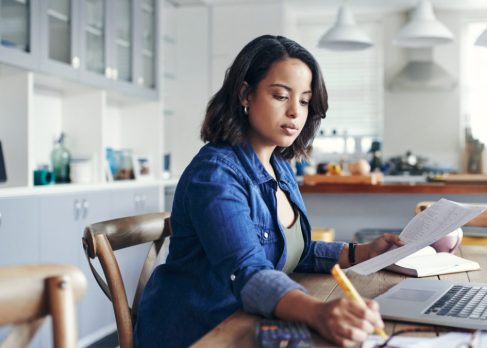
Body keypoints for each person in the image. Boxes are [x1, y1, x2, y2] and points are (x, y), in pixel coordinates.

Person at [134, 35, 402, 347]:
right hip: (200, 332)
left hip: (247, 321)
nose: (295, 112)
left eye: (303, 101)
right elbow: (248, 270)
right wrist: (318, 312)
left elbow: (288, 250)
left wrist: (362, 252)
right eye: (280, 96)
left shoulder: (281, 167)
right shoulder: (215, 175)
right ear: (246, 94)